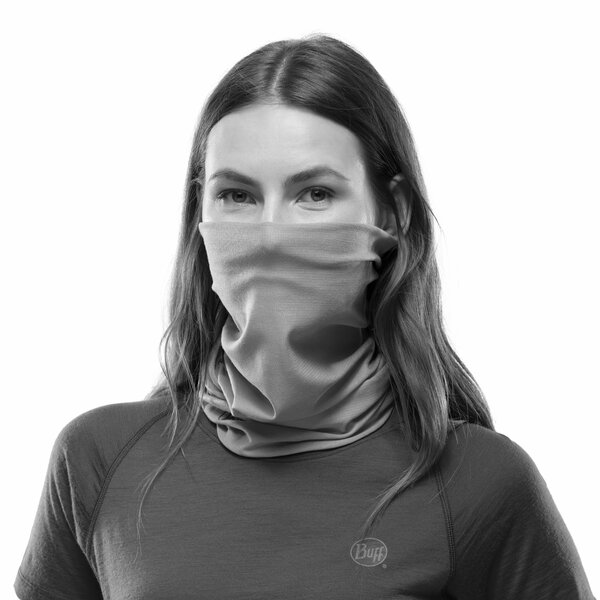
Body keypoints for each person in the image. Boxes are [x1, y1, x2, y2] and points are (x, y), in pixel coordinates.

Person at [14, 34, 596, 600]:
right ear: (200, 213)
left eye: (315, 193)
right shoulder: (97, 459)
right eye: (237, 195)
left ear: (391, 211)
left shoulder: (480, 481)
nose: (271, 234)